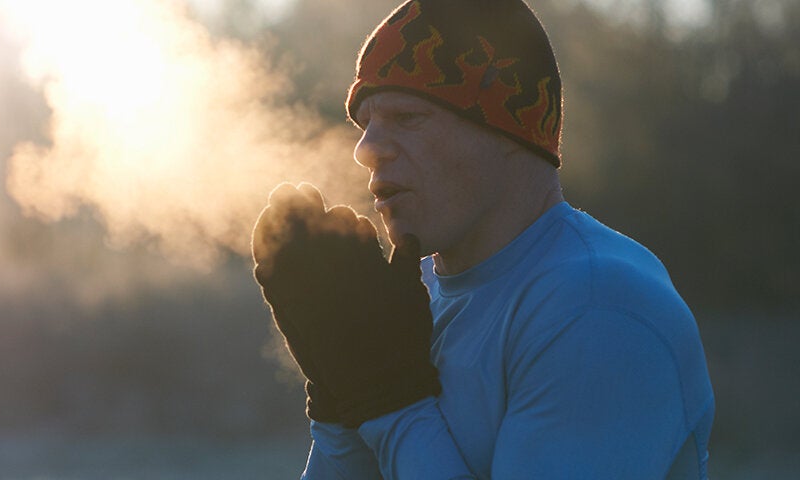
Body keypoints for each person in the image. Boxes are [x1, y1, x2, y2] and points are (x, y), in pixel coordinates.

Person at [251, 0, 715, 478]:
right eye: (365, 124)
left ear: (506, 129)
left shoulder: (598, 306)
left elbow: (392, 407)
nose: (365, 149)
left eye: (407, 117)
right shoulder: (412, 298)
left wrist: (390, 405)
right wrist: (339, 398)